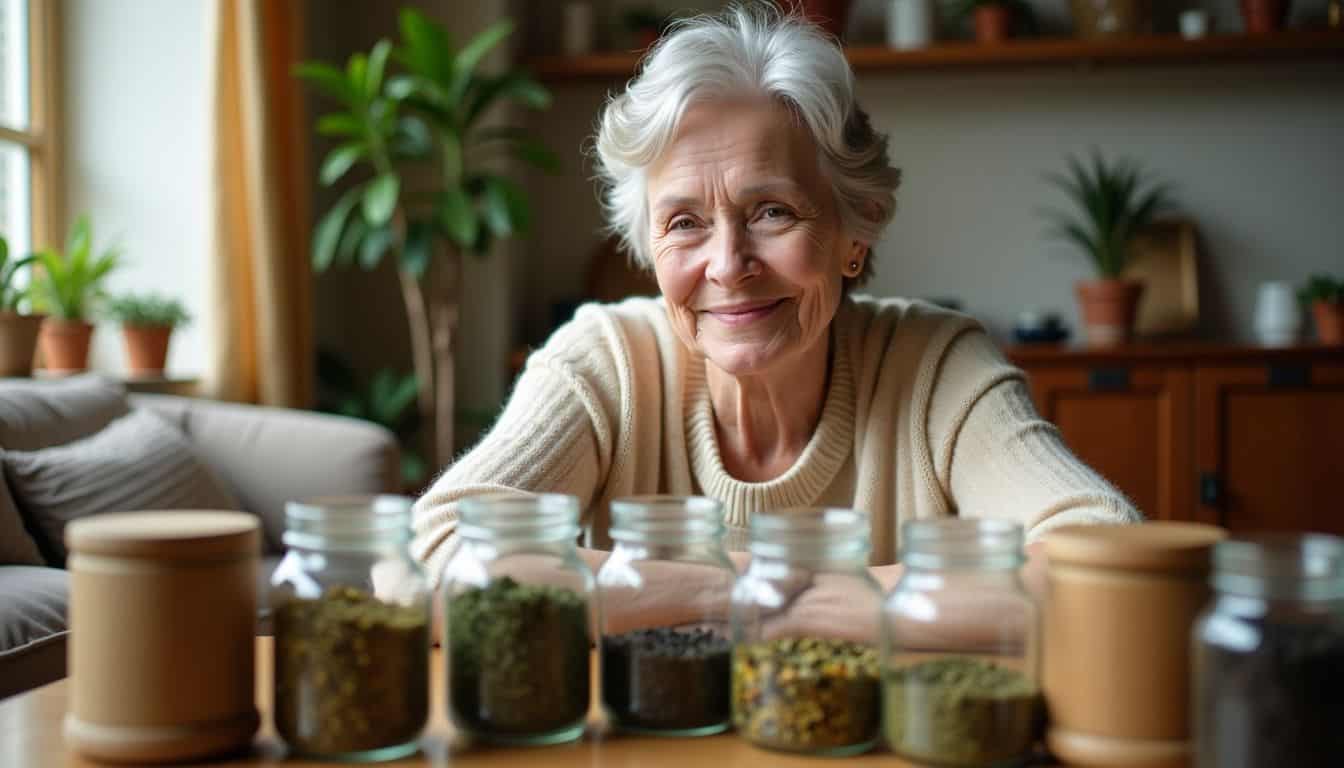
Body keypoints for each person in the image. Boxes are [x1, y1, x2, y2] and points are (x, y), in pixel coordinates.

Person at [412, 4, 1140, 633]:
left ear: (856, 232)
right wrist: (727, 588)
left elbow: (1109, 567)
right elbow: (433, 558)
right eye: (685, 223)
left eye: (771, 212)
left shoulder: (936, 367)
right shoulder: (606, 363)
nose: (728, 264)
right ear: (647, 248)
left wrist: (768, 598)